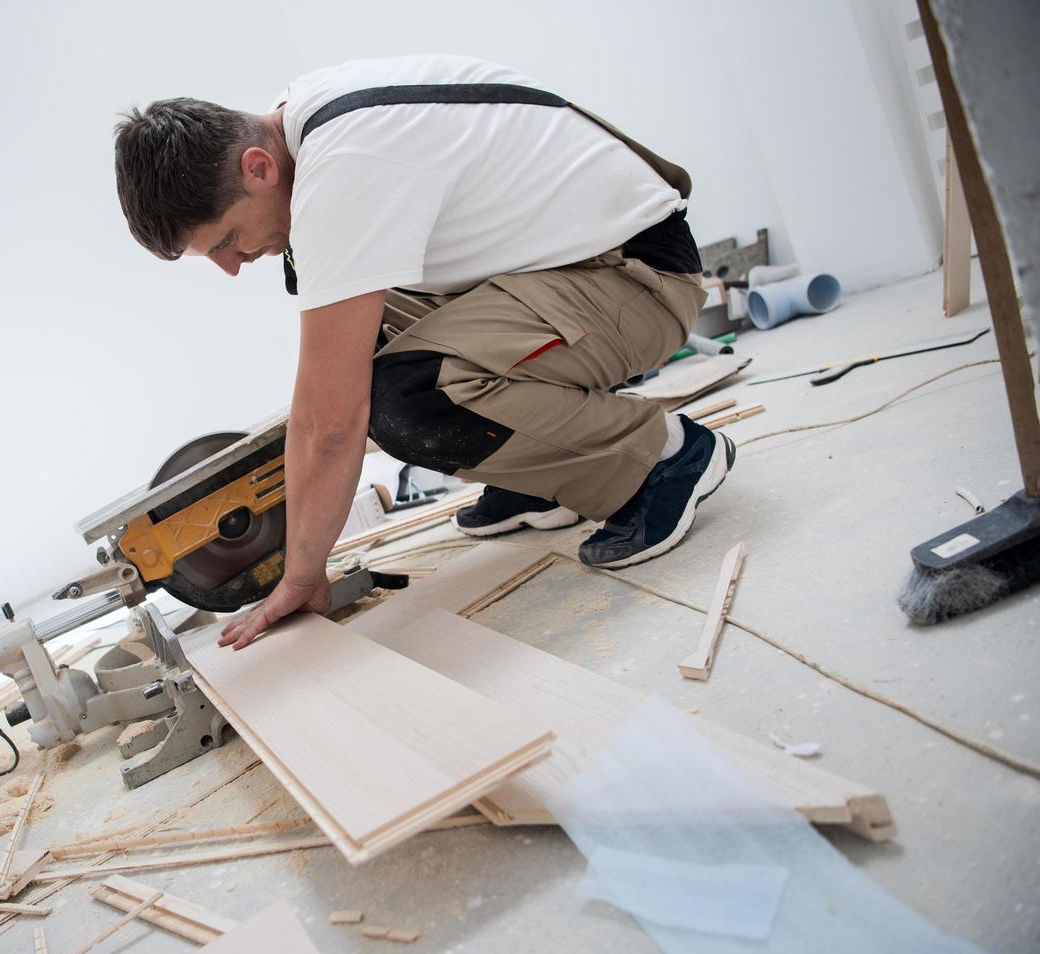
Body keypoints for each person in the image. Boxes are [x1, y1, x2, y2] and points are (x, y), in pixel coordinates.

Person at [112, 54, 734, 649]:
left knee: (405, 402)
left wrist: (301, 574)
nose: (231, 266)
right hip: (557, 266)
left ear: (257, 169)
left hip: (637, 280)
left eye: (226, 240)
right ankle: (541, 478)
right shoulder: (305, 131)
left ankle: (663, 459)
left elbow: (331, 423)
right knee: (364, 350)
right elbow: (326, 380)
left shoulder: (345, 162)